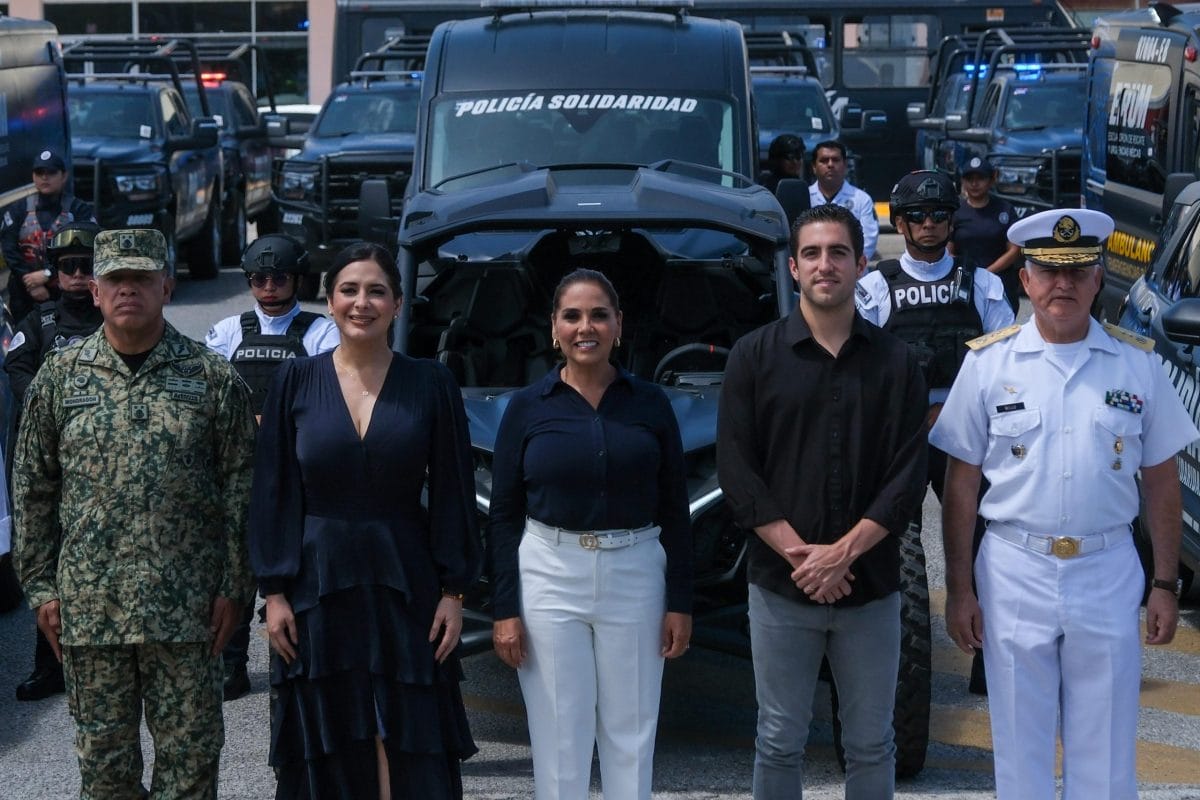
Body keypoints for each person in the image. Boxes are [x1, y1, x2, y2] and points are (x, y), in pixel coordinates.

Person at [931, 208, 1198, 800]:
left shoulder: (1137, 364)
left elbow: (1161, 483)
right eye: (1049, 271)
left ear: (1098, 278)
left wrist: (1164, 583)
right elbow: (960, 486)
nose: (1063, 284)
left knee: (1106, 754)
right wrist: (960, 588)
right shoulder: (988, 364)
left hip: (1107, 569)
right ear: (1025, 280)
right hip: (1013, 568)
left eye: (1077, 271)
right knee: (1019, 750)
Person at [12, 228, 257, 798]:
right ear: (96, 292)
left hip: (188, 611)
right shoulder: (60, 377)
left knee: (190, 768)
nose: (128, 290)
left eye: (141, 278)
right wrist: (41, 589)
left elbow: (242, 487)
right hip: (91, 611)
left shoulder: (209, 377)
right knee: (105, 774)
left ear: (166, 287)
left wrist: (235, 587)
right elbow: (32, 488)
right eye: (116, 279)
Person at [249, 241, 481, 799]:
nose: (362, 302)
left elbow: (453, 491)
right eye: (349, 290)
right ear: (329, 302)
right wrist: (274, 592)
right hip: (317, 584)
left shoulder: (431, 382)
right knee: (330, 731)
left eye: (377, 291)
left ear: (398, 304)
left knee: (406, 729)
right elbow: (273, 491)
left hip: (407, 580)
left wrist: (455, 592)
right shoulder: (294, 380)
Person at [717, 204, 928, 799]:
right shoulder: (752, 357)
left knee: (872, 744)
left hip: (871, 589)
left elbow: (907, 477)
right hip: (782, 588)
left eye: (838, 252)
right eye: (811, 253)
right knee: (778, 740)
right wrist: (805, 559)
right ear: (793, 267)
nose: (824, 264)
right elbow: (738, 471)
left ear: (862, 264)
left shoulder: (897, 363)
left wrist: (843, 554)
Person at [487, 267, 692, 800]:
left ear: (618, 325)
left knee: (632, 733)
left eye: (599, 315)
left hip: (636, 571)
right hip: (550, 573)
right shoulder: (527, 407)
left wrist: (680, 602)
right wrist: (505, 610)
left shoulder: (650, 404)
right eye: (572, 316)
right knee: (559, 735)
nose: (586, 327)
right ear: (554, 327)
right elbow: (504, 514)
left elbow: (675, 508)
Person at [856, 169, 1014, 695]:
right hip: (898, 437)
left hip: (966, 436)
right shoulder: (874, 288)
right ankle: (892, 663)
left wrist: (956, 409)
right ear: (900, 224)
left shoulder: (983, 284)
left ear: (952, 223)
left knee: (986, 543)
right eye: (917, 216)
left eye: (939, 215)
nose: (929, 224)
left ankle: (989, 661)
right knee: (890, 544)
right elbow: (858, 370)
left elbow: (1004, 366)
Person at [206, 234, 339, 702]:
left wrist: (274, 422)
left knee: (295, 565)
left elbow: (330, 398)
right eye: (259, 278)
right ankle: (231, 665)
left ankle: (296, 659)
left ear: (297, 279)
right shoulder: (227, 331)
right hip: (237, 468)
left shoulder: (322, 333)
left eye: (279, 277)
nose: (268, 286)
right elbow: (209, 398)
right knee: (234, 567)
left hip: (299, 467)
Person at [5, 221, 104, 702]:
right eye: (69, 267)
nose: (78, 275)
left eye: (86, 266)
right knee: (48, 564)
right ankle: (51, 666)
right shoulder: (40, 321)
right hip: (50, 458)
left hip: (103, 461)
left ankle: (108, 663)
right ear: (55, 271)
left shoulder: (114, 318)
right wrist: (50, 408)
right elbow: (16, 367)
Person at [0, 148, 96, 322]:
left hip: (67, 293)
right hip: (24, 293)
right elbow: (9, 249)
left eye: (51, 172)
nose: (45, 177)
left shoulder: (78, 210)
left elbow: (91, 248)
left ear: (64, 176)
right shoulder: (18, 209)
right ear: (33, 176)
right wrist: (30, 283)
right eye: (39, 172)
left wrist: (48, 274)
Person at [948, 156, 1023, 313]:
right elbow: (948, 251)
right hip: (965, 282)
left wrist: (987, 273)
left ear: (991, 180)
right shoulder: (955, 211)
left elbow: (1014, 250)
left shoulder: (1005, 209)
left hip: (1000, 282)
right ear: (962, 181)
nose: (974, 184)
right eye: (969, 179)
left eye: (980, 178)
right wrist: (966, 272)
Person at [808, 140, 879, 261]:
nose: (830, 165)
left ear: (845, 165)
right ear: (814, 167)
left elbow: (869, 241)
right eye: (824, 160)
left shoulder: (862, 199)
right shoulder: (804, 195)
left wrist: (847, 265)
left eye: (835, 160)